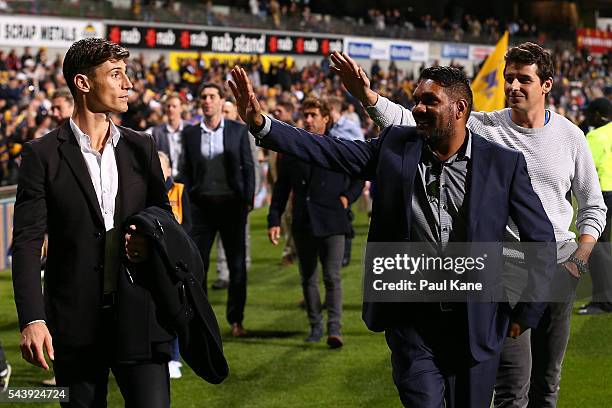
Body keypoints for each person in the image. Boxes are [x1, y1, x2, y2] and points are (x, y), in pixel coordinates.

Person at [230, 64, 557, 407]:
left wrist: (526, 314)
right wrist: (261, 125)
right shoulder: (395, 146)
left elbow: (542, 241)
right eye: (416, 100)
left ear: (460, 108)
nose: (418, 108)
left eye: (430, 101)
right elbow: (329, 151)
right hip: (411, 323)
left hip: (475, 323)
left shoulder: (502, 164)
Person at [329, 44, 606, 408]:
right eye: (509, 78)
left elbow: (593, 207)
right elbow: (412, 121)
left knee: (548, 383)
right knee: (511, 384)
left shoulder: (571, 137)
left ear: (547, 85)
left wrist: (578, 262)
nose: (513, 86)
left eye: (524, 79)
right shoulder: (484, 126)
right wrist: (369, 97)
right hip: (505, 270)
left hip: (559, 266)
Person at [12, 38, 174, 407]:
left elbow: (162, 215)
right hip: (74, 324)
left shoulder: (141, 146)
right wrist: (32, 319)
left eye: (125, 74)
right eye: (115, 74)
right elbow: (26, 241)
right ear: (83, 84)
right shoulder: (41, 155)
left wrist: (150, 238)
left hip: (141, 314)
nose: (127, 84)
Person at [268, 97, 363, 347]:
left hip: (333, 220)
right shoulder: (292, 150)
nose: (308, 120)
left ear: (325, 118)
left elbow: (358, 176)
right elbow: (281, 188)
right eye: (305, 115)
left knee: (332, 276)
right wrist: (273, 219)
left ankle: (335, 328)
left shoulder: (339, 146)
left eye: (313, 115)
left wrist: (347, 197)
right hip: (303, 221)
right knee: (308, 277)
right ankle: (315, 327)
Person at [180, 82, 255, 337]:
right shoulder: (190, 134)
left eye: (212, 96)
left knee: (237, 266)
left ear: (222, 101)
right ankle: (200, 320)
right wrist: (188, 201)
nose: (207, 101)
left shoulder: (237, 130)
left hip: (232, 206)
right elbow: (186, 171)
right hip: (201, 207)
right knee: (197, 265)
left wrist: (248, 200)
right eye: (203, 97)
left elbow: (248, 166)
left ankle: (236, 320)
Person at [211, 100, 258, 290]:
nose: (225, 114)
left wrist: (250, 195)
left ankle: (241, 269)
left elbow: (252, 167)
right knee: (220, 238)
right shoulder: (213, 135)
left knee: (240, 236)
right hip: (219, 195)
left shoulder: (243, 134)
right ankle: (223, 274)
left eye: (228, 111)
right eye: (223, 111)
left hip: (237, 196)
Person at [159, 151, 192, 378]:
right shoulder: (144, 189)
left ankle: (174, 358)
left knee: (176, 309)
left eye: (162, 167)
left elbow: (189, 223)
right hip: (155, 258)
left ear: (170, 170)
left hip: (176, 259)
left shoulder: (179, 190)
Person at [581, 97, 612, 315]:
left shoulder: (594, 136)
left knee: (598, 247)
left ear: (597, 114)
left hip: (604, 193)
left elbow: (585, 170)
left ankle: (603, 301)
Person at [149, 94, 186, 179]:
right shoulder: (156, 132)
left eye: (174, 106)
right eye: (168, 106)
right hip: (166, 181)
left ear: (181, 108)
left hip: (186, 181)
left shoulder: (189, 130)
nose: (170, 109)